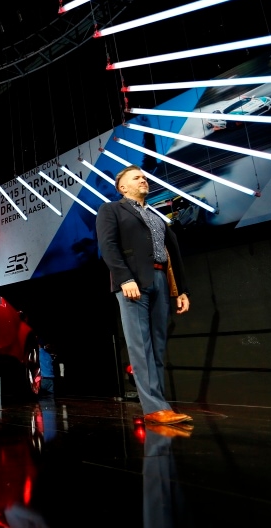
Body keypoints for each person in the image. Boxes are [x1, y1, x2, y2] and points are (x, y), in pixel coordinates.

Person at [96, 165, 192, 426]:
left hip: (161, 279)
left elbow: (172, 253)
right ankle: (154, 407)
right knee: (141, 346)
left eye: (144, 177)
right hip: (133, 282)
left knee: (158, 345)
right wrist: (124, 277)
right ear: (122, 187)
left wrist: (181, 290)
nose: (143, 180)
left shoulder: (157, 216)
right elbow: (108, 246)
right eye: (136, 177)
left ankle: (160, 404)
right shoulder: (111, 210)